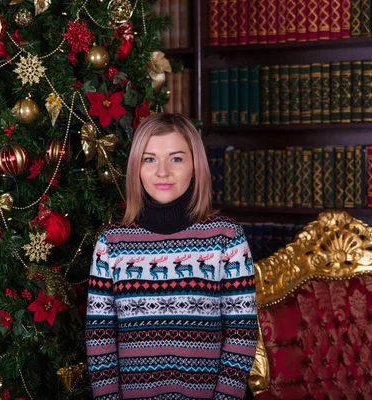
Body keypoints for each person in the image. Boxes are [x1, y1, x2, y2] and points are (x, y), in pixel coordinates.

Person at [85, 113, 258, 400]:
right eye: (149, 159)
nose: (162, 172)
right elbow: (99, 337)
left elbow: (241, 334)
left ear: (195, 166)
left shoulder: (226, 238)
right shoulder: (111, 243)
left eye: (176, 159)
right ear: (136, 168)